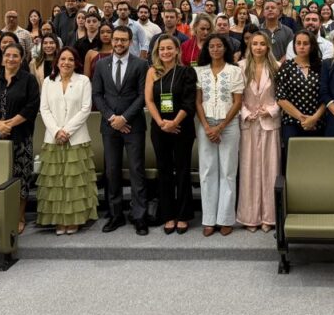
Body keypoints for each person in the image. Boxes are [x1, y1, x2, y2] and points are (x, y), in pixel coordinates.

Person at [91, 26, 150, 235]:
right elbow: (97, 95)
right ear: (111, 40)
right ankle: (115, 215)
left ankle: (139, 216)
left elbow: (142, 96)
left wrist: (124, 118)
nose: (118, 43)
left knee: (136, 170)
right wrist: (112, 118)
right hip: (109, 127)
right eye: (116, 39)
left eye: (123, 40)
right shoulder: (101, 64)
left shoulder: (141, 64)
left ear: (130, 41)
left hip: (134, 126)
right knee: (112, 171)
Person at [0, 43, 40, 234]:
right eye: (8, 55)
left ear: (21, 59)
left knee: (20, 178)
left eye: (15, 56)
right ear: (2, 57)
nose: (11, 59)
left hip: (20, 136)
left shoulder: (28, 80)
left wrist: (9, 125)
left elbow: (31, 107)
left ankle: (19, 216)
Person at [37, 47, 98, 235]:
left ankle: (74, 220)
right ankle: (59, 220)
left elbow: (86, 108)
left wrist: (67, 131)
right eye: (63, 59)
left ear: (76, 62)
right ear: (57, 61)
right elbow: (44, 109)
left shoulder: (83, 81)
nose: (66, 63)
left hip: (76, 138)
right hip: (53, 138)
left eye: (70, 59)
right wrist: (57, 131)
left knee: (74, 182)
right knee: (56, 181)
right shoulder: (48, 81)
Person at [143, 34, 198, 235]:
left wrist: (174, 122)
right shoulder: (152, 72)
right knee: (164, 170)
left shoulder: (187, 71)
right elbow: (149, 100)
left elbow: (189, 102)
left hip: (182, 127)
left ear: (177, 50)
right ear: (157, 52)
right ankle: (168, 215)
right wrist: (161, 123)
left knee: (182, 170)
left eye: (169, 48)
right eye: (162, 49)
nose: (165, 52)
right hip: (159, 128)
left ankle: (183, 215)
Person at [194, 34, 244, 236]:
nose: (215, 49)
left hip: (228, 125)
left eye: (219, 46)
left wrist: (221, 126)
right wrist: (207, 127)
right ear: (207, 49)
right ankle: (209, 219)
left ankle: (225, 219)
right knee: (207, 171)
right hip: (205, 124)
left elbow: (238, 102)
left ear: (225, 49)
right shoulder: (199, 71)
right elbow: (197, 102)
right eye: (211, 46)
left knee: (228, 171)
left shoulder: (234, 71)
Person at [237, 31, 281, 232]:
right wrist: (245, 113)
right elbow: (235, 97)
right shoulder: (240, 67)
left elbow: (284, 96)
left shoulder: (277, 67)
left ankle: (269, 218)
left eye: (262, 44)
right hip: (249, 123)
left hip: (270, 123)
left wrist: (272, 110)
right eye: (254, 43)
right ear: (249, 46)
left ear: (267, 46)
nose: (258, 47)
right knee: (249, 170)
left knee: (271, 170)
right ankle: (250, 217)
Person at [276, 30, 326, 172]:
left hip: (318, 122)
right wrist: (303, 119)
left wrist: (314, 118)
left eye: (305, 43)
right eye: (298, 43)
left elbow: (327, 96)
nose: (302, 47)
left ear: (312, 45)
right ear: (294, 46)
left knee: (317, 164)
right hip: (292, 123)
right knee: (295, 164)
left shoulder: (321, 66)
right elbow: (281, 98)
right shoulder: (286, 67)